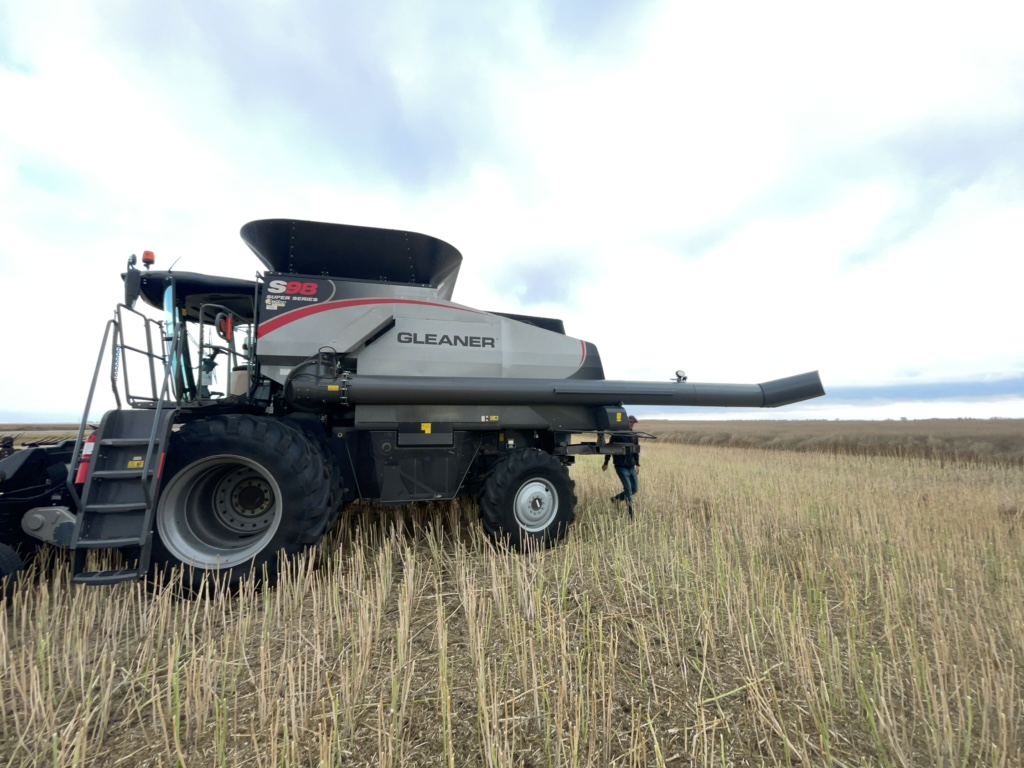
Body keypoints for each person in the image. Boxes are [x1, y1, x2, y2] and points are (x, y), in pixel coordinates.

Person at [602, 414, 640, 517]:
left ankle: (616, 499)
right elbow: (609, 449)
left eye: (633, 422)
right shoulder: (617, 434)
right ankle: (631, 515)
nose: (631, 424)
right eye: (630, 422)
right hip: (621, 466)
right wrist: (606, 462)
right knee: (628, 489)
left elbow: (636, 451)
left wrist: (638, 464)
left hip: (631, 466)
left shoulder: (634, 436)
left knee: (635, 489)